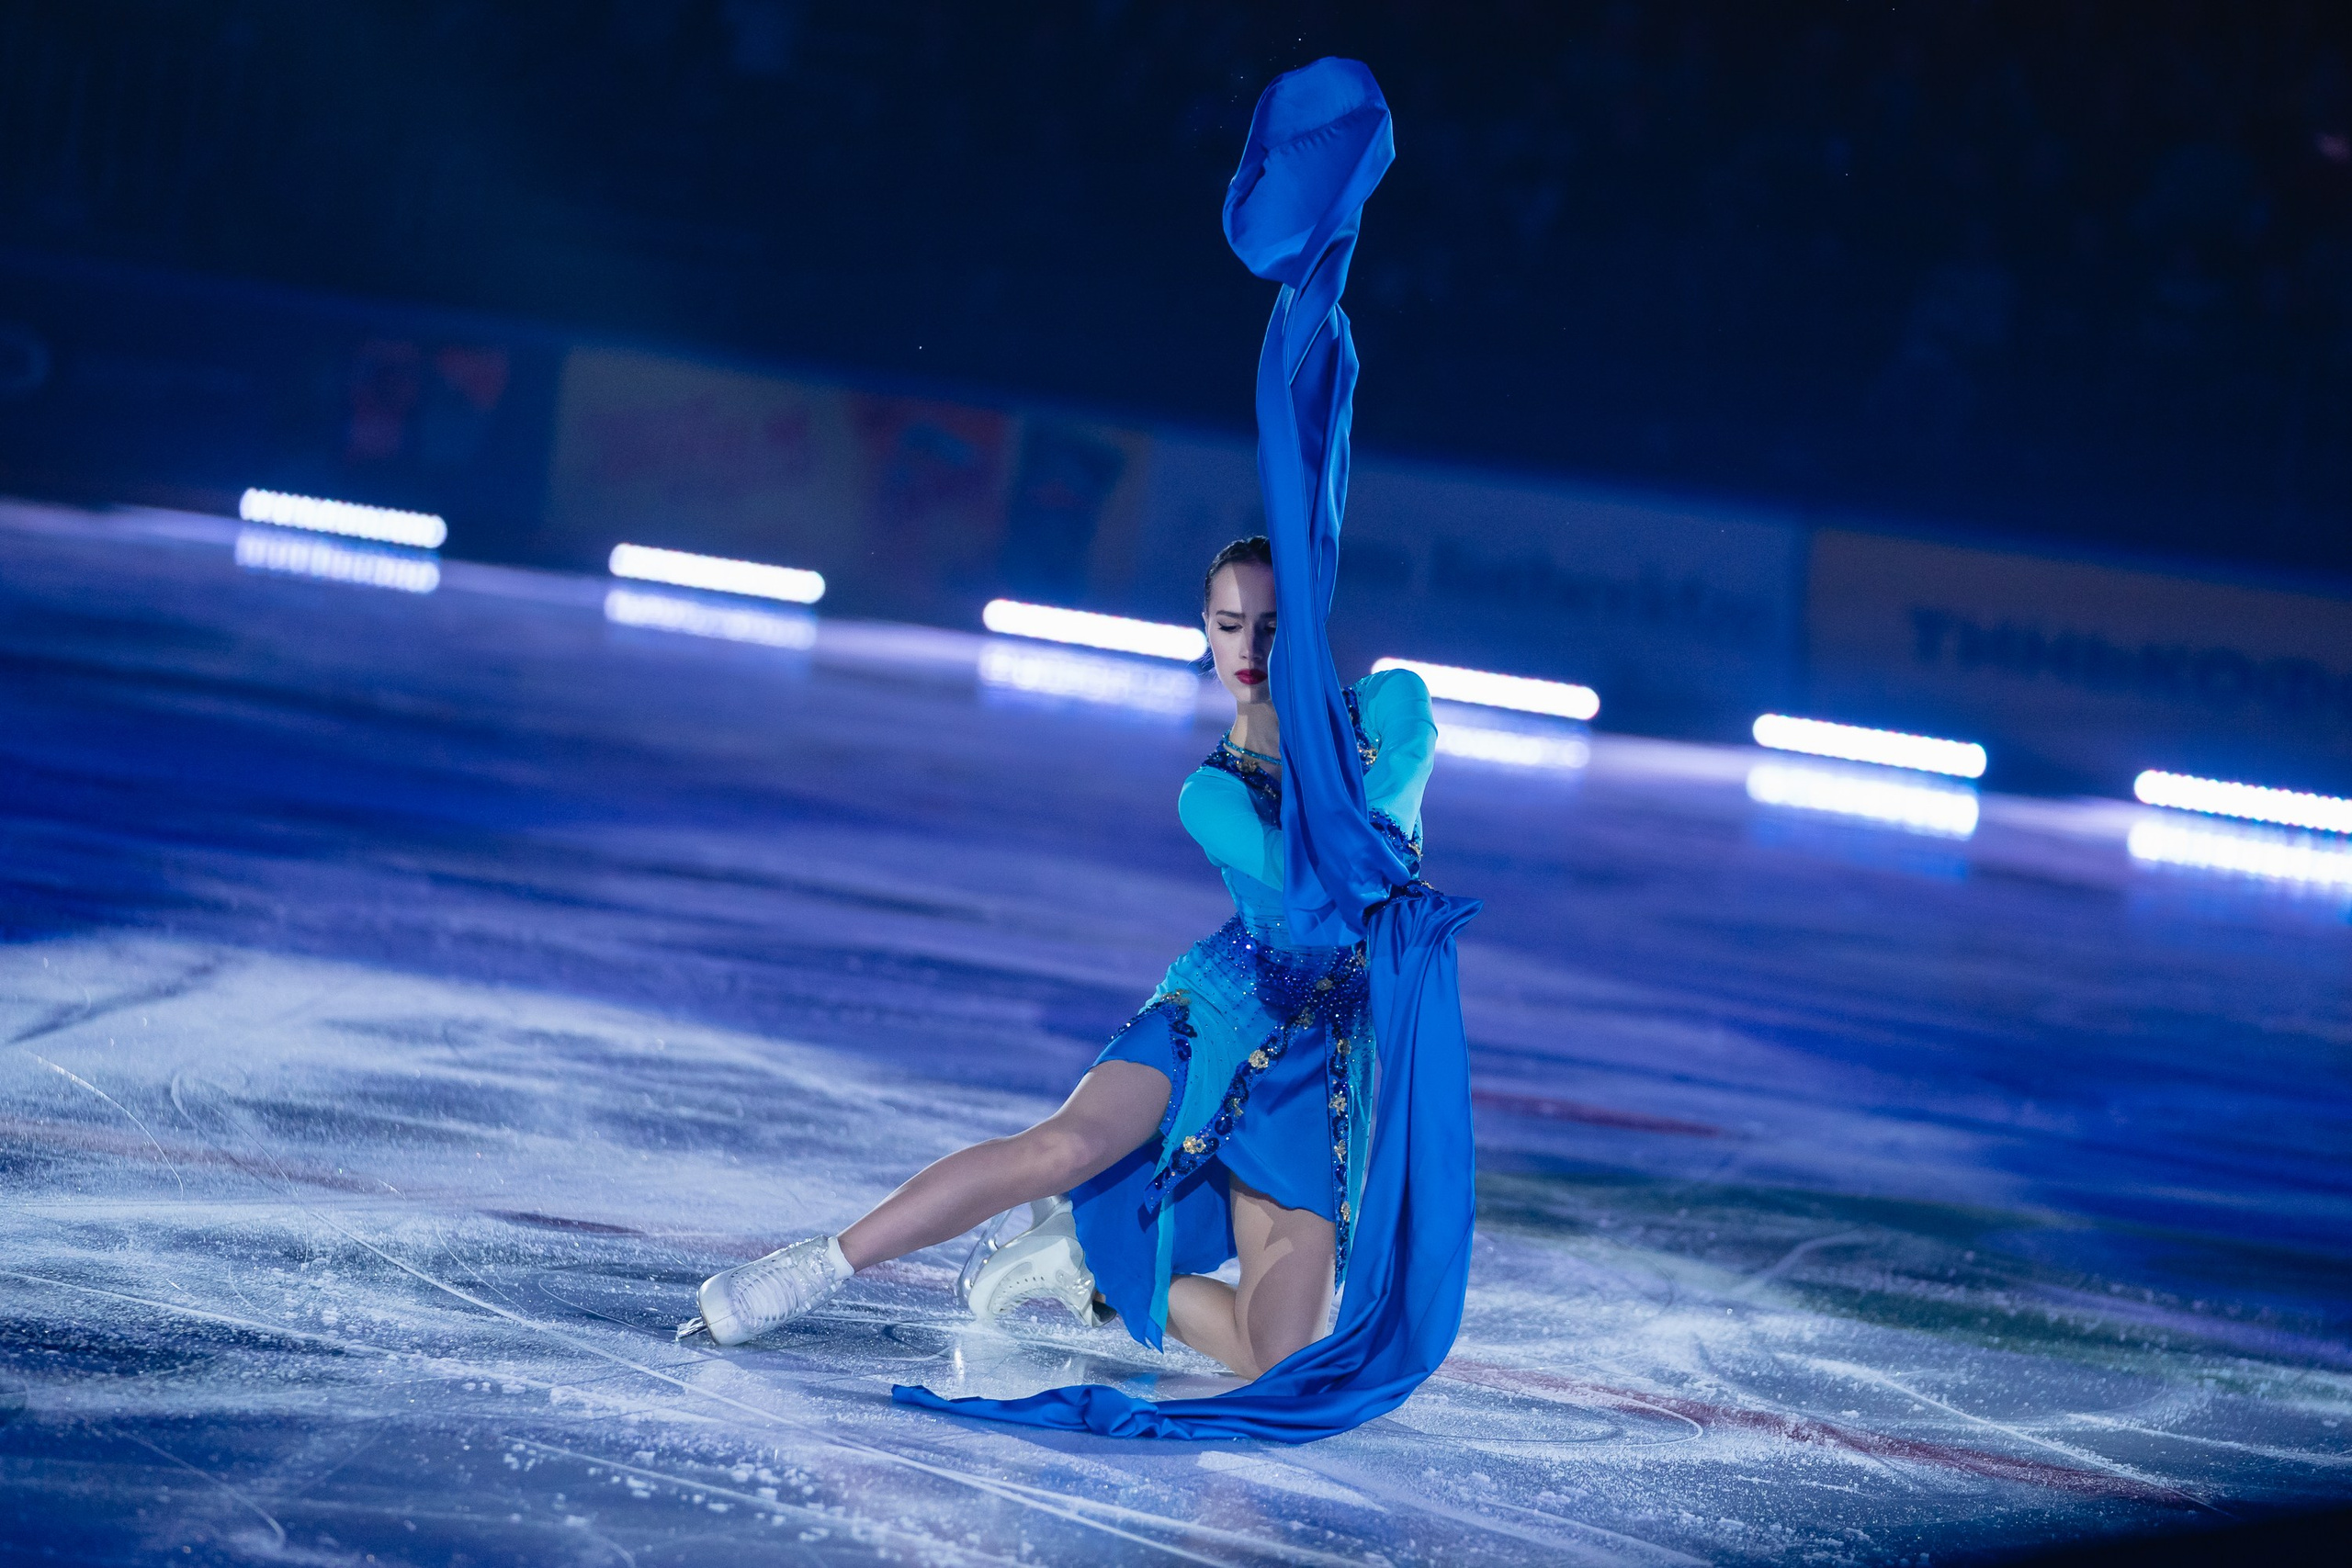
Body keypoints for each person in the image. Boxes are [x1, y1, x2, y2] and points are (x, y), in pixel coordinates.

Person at [682, 534, 1436, 1381]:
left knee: (1280, 1359)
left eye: (1272, 625)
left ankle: (1084, 1264)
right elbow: (1307, 884)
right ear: (1206, 632)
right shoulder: (1212, 792)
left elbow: (1395, 788)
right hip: (1226, 1009)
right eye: (1231, 626)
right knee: (1063, 1148)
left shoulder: (1390, 703)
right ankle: (818, 1267)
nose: (1252, 650)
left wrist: (1346, 805)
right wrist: (1357, 840)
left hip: (1323, 1059)